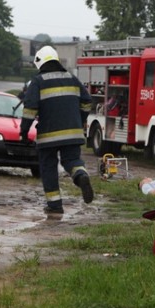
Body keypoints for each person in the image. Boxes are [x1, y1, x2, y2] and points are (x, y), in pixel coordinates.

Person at [19, 45, 93, 214]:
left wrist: (24, 132)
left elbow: (30, 108)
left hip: (48, 136)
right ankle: (81, 176)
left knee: (49, 167)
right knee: (72, 161)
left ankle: (55, 205)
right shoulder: (72, 78)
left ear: (40, 62)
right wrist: (78, 120)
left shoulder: (38, 81)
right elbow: (87, 101)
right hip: (73, 134)